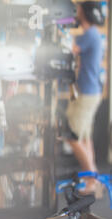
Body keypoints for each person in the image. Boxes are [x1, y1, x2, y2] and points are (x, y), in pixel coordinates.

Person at [65, 1, 104, 195]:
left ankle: (92, 178)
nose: (76, 15)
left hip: (87, 93)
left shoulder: (89, 35)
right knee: (85, 137)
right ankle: (91, 178)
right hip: (91, 92)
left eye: (78, 12)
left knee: (71, 136)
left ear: (85, 14)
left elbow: (71, 48)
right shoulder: (94, 34)